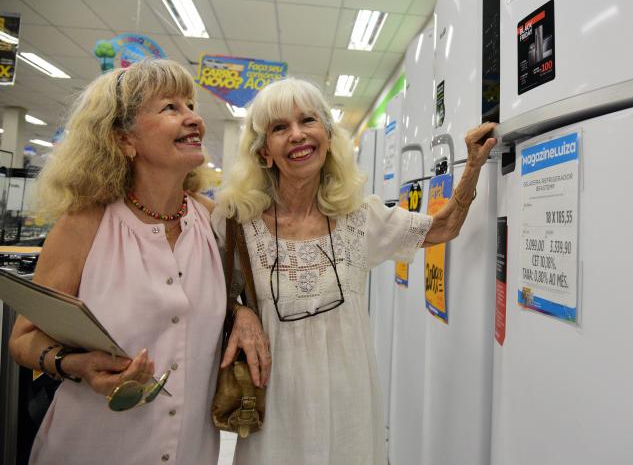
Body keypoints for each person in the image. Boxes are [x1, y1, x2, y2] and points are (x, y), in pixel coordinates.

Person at [214, 77, 497, 465]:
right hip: (275, 408)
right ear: (264, 151)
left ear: (328, 138)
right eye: (280, 127)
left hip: (350, 407)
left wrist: (472, 168)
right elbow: (208, 296)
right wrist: (240, 310)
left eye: (308, 121)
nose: (297, 135)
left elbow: (444, 227)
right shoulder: (237, 224)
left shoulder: (361, 219)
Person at [8, 59, 267, 465]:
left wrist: (243, 313)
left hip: (189, 452)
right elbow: (23, 338)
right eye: (171, 107)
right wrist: (76, 363)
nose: (194, 118)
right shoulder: (84, 224)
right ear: (124, 138)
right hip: (92, 447)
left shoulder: (216, 221)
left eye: (191, 105)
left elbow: (232, 294)